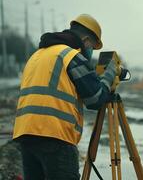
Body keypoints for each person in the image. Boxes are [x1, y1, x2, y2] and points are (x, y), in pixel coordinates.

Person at [12, 14, 117, 180]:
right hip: (55, 136)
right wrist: (109, 76)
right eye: (92, 46)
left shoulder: (37, 55)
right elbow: (95, 99)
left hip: (26, 135)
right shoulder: (70, 55)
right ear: (85, 39)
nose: (90, 51)